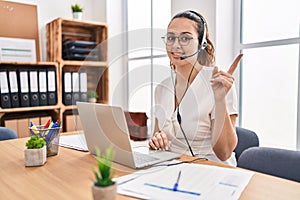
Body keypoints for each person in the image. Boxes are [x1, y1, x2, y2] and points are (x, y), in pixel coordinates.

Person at [148, 10, 242, 166]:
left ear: (201, 43)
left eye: (185, 38)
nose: (176, 45)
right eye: (171, 38)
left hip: (211, 171)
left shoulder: (218, 83)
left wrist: (220, 100)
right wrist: (157, 142)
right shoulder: (162, 88)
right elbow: (157, 138)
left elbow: (224, 153)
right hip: (170, 169)